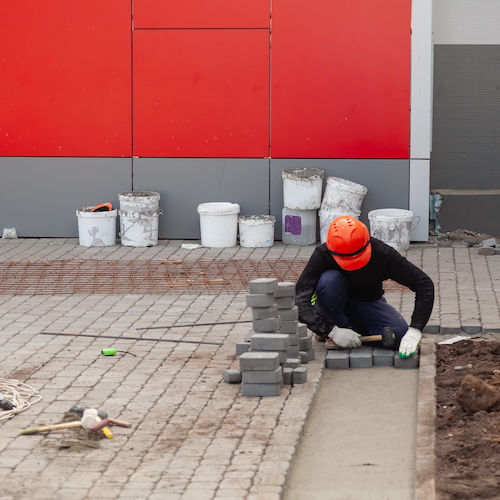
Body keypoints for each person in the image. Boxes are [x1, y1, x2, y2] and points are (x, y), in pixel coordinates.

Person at [295, 216, 434, 358]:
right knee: (330, 279)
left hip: (367, 303)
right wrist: (331, 331)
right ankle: (333, 330)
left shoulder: (382, 254)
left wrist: (415, 329)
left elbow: (423, 284)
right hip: (331, 305)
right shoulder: (323, 255)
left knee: (398, 336)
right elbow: (299, 300)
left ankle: (351, 332)